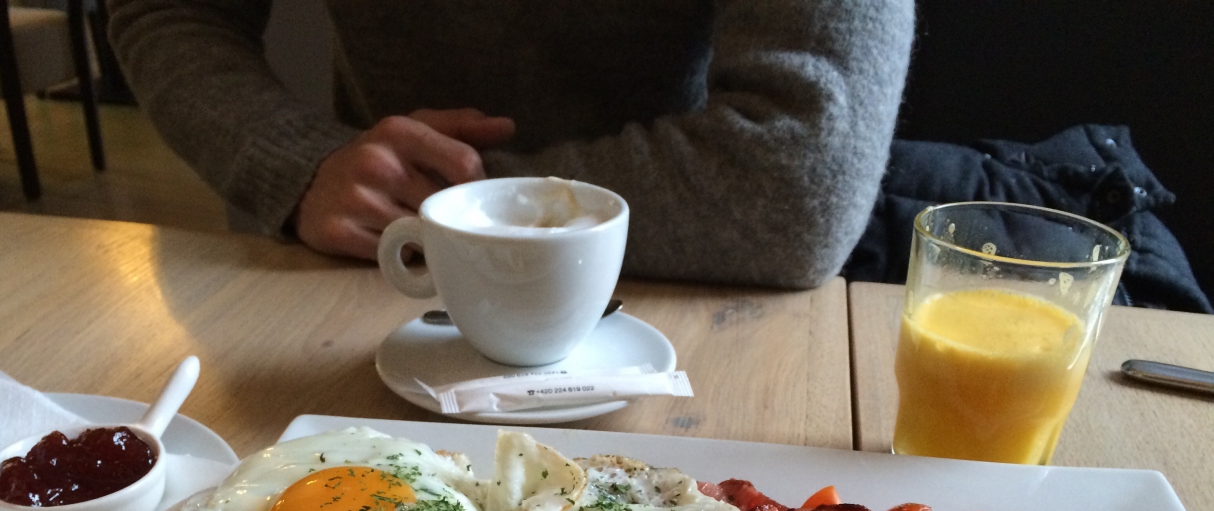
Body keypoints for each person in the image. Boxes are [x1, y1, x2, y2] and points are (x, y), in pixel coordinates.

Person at [107, 0, 914, 289]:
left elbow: (795, 185)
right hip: (378, 273)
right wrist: (293, 157)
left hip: (691, 290)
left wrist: (456, 208)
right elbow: (170, 11)